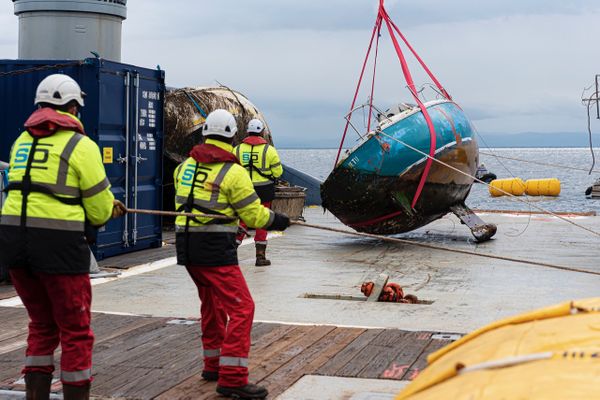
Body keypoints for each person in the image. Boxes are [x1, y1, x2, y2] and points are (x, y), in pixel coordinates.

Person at [0, 74, 126, 400]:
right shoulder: (81, 146)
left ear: (40, 107)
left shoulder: (21, 142)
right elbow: (98, 211)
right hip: (59, 249)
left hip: (13, 246)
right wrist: (108, 208)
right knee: (75, 331)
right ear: (72, 107)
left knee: (41, 325)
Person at [174, 109, 289, 399]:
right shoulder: (232, 172)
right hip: (214, 249)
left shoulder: (184, 167)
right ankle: (233, 378)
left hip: (186, 247)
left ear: (204, 134)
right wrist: (279, 220)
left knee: (211, 304)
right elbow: (252, 215)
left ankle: (212, 365)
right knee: (242, 308)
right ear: (231, 136)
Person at [233, 119, 283, 266]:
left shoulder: (236, 150)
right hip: (264, 190)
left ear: (247, 131)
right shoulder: (269, 150)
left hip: (243, 190)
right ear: (262, 132)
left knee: (241, 220)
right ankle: (260, 257)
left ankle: (230, 252)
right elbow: (278, 172)